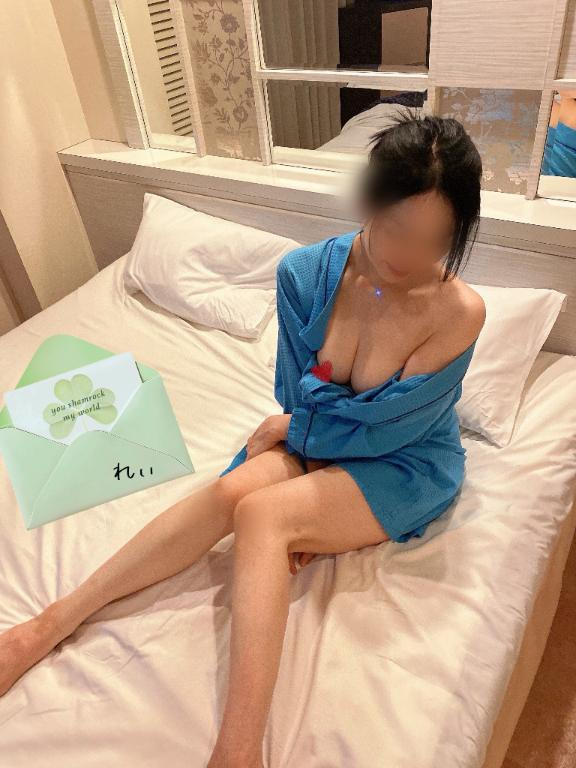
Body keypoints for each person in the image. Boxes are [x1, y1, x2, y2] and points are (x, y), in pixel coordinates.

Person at [0, 107, 486, 768]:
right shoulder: (306, 276)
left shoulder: (458, 311)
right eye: (399, 229)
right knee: (232, 492)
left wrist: (297, 430)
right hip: (323, 438)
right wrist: (301, 427)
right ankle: (48, 624)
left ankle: (237, 753)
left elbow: (387, 427)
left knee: (263, 513)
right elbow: (298, 388)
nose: (411, 257)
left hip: (407, 461)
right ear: (371, 202)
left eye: (436, 241)